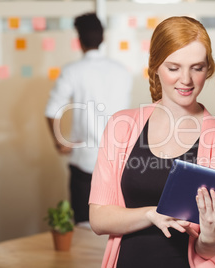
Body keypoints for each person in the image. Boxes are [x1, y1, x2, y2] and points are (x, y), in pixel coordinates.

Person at [88, 16, 215, 268]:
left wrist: (212, 234)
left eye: (197, 67)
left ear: (209, 68)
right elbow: (99, 218)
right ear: (156, 67)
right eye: (174, 68)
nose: (186, 80)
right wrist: (153, 214)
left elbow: (208, 249)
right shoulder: (121, 126)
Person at [45, 12, 133, 224]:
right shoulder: (122, 71)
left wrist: (59, 142)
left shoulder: (73, 71)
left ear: (79, 40)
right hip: (119, 164)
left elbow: (51, 110)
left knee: (85, 228)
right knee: (116, 225)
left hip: (85, 164)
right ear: (103, 38)